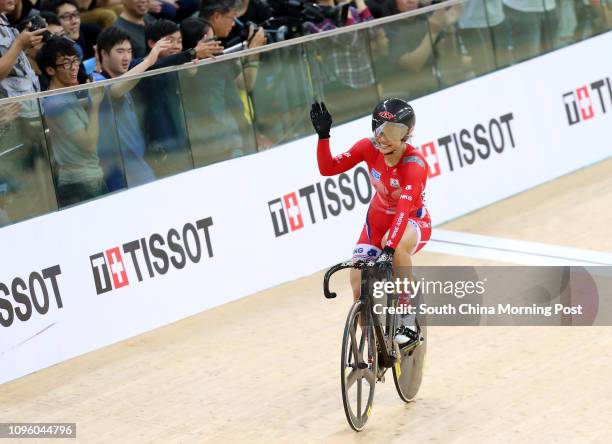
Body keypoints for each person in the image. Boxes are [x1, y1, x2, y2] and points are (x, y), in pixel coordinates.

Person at [311, 98, 431, 344]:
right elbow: (328, 169)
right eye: (379, 129)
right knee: (358, 284)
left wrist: (388, 250)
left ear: (407, 134)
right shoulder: (368, 147)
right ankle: (372, 346)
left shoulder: (414, 165)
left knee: (394, 245)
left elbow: (403, 210)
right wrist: (324, 137)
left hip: (411, 221)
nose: (384, 137)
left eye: (393, 131)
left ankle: (408, 317)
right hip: (376, 222)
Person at [38, 36, 107, 206]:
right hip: (80, 184)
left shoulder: (65, 94)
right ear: (50, 70)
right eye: (66, 63)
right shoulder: (57, 103)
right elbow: (89, 144)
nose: (74, 67)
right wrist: (95, 105)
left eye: (75, 61)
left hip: (89, 177)